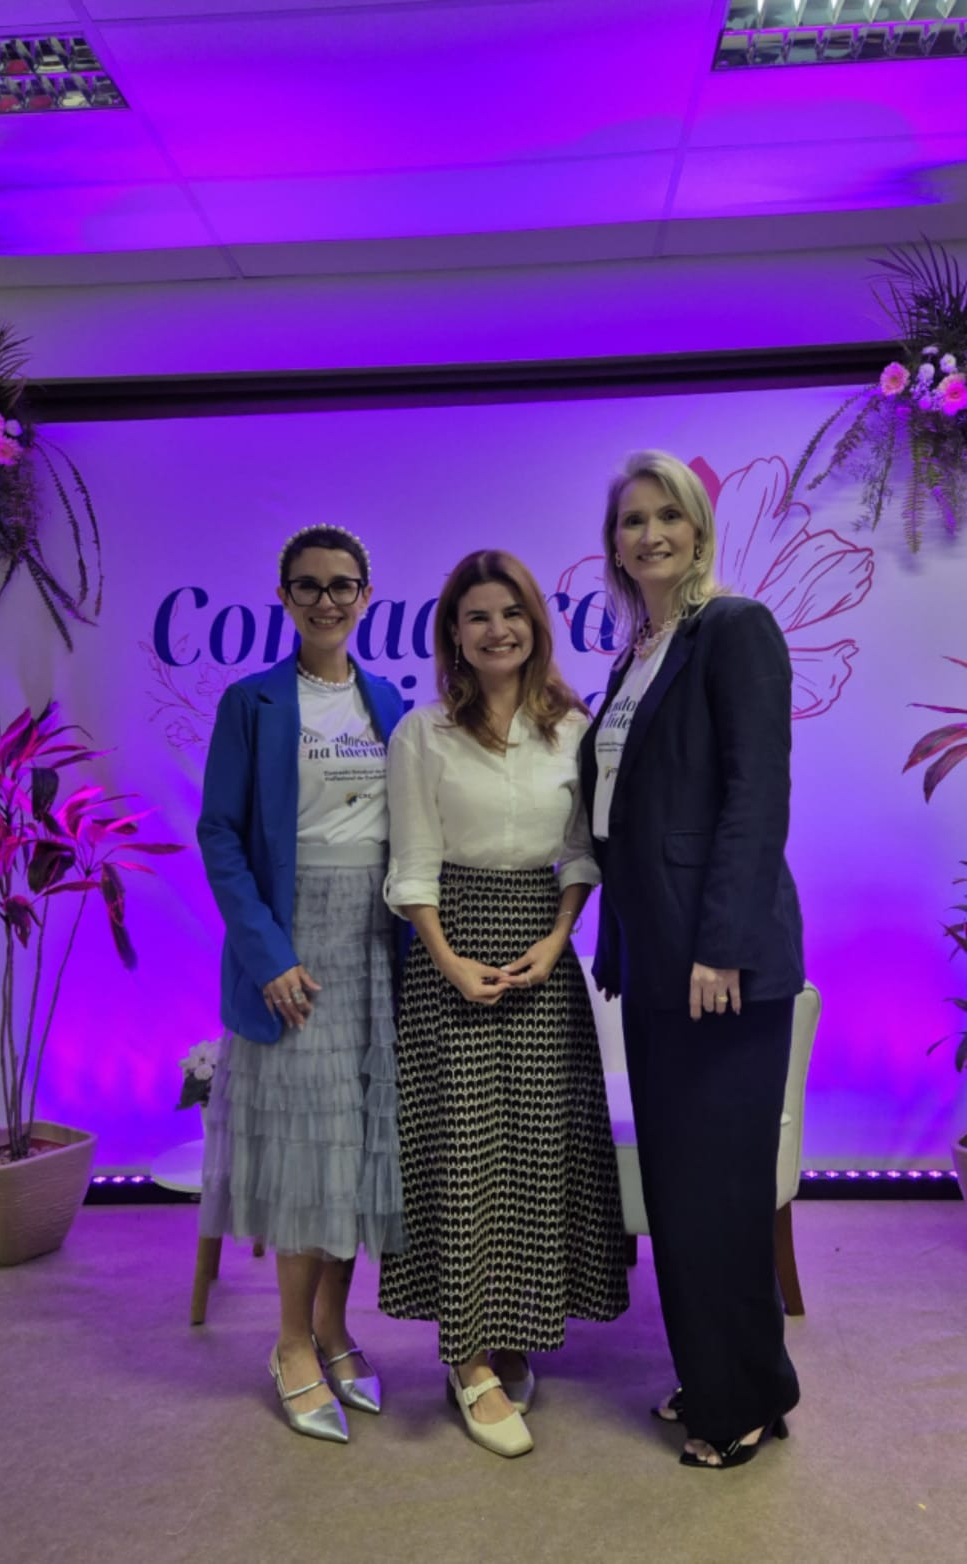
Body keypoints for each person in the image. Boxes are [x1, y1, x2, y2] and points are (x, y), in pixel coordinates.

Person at [579, 451, 804, 1470]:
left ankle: (739, 1402)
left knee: (718, 1191)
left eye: (667, 514)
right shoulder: (635, 655)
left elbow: (756, 796)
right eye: (632, 520)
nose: (650, 533)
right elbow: (625, 815)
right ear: (614, 544)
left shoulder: (735, 628)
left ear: (699, 527)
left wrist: (722, 945)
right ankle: (727, 1373)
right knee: (681, 1187)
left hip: (722, 965)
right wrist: (620, 943)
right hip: (657, 961)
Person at [379, 548, 629, 1459]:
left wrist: (560, 936)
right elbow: (411, 864)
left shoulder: (574, 728)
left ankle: (514, 1324)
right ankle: (468, 1358)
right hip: (449, 954)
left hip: (541, 952)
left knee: (536, 1149)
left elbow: (581, 852)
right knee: (462, 1153)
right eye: (477, 615)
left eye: (511, 612)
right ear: (453, 631)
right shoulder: (422, 734)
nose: (497, 630)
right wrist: (446, 958)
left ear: (535, 623)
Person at [197, 524, 405, 1445]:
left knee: (355, 1143)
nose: (328, 600)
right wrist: (269, 955)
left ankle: (333, 1326)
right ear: (283, 597)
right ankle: (289, 1343)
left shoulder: (388, 700)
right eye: (309, 585)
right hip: (292, 942)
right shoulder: (250, 701)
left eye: (343, 584)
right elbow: (220, 836)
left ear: (366, 596)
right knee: (305, 1149)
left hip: (376, 939)